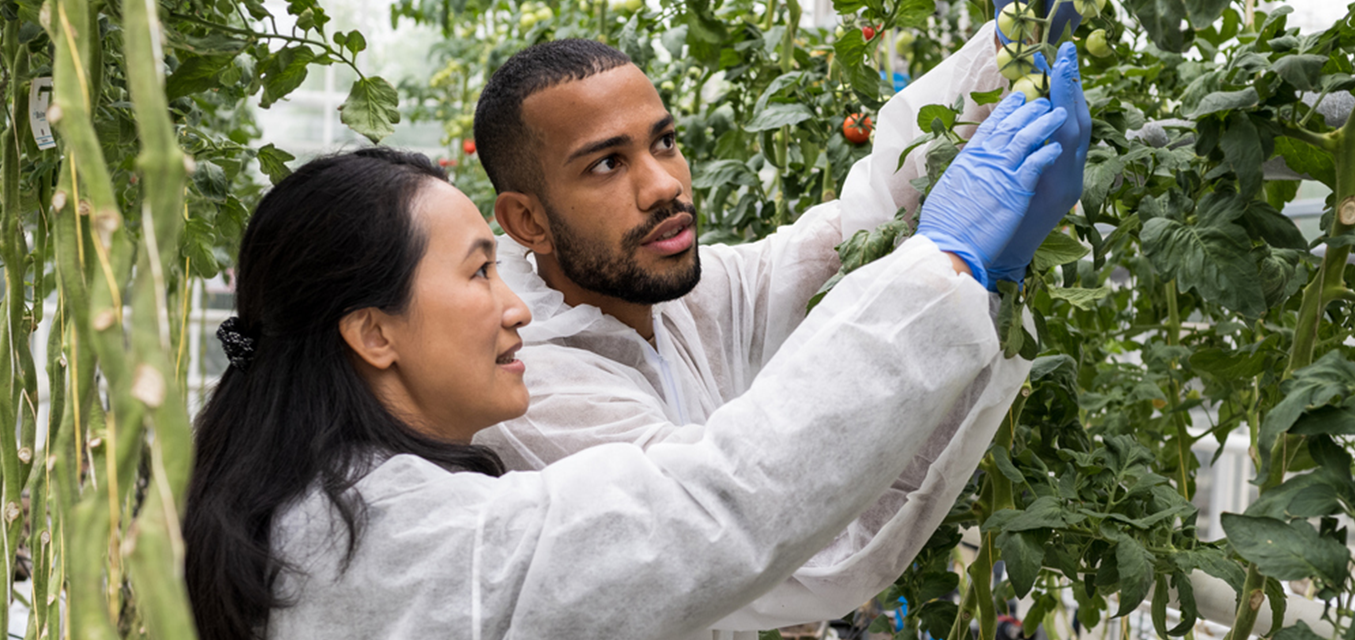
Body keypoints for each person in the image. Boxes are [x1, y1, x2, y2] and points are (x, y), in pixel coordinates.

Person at [182, 86, 1071, 639]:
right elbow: (712, 506)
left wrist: (987, 68)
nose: (516, 303)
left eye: (664, 141)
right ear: (373, 333)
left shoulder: (340, 499)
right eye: (481, 270)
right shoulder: (395, 547)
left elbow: (827, 243)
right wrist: (946, 264)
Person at [468, 27, 1091, 637]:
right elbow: (753, 545)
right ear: (527, 221)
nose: (664, 185)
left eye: (664, 143)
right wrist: (951, 263)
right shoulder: (521, 380)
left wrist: (1004, 48)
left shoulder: (674, 298)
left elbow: (858, 230)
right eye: (607, 163)